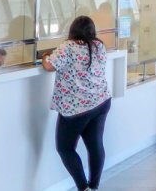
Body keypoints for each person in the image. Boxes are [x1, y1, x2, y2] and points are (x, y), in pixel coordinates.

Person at [42, 16, 112, 191]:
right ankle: (94, 186)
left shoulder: (68, 47)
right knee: (95, 145)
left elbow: (49, 66)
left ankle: (83, 187)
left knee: (65, 148)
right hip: (100, 101)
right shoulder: (99, 46)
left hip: (76, 107)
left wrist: (45, 56)